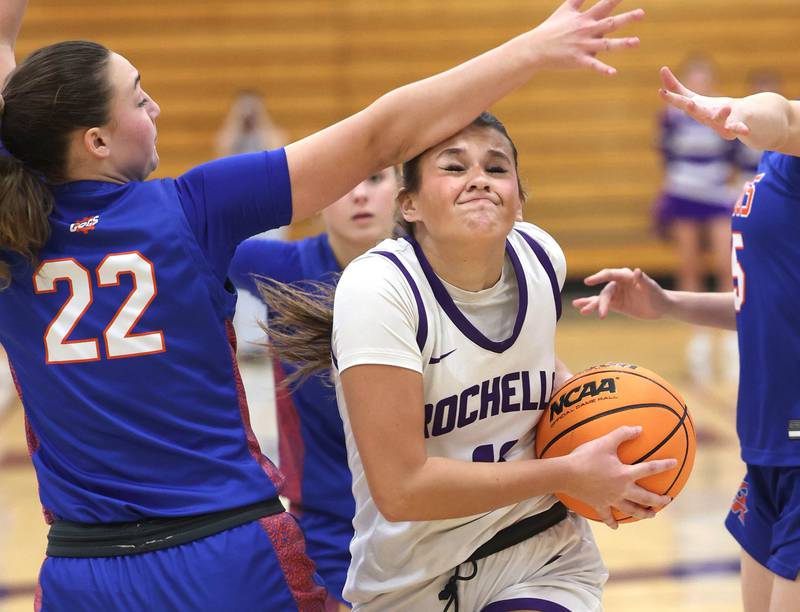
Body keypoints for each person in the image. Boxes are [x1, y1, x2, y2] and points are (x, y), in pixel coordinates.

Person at [0, 0, 648, 609]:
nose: (157, 107)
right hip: (226, 553)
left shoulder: (9, 232)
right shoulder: (189, 209)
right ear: (97, 142)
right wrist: (532, 49)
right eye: (139, 99)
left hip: (81, 569)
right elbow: (381, 134)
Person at [261, 111, 677, 611]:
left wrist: (603, 438)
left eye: (497, 168)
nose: (479, 178)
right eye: (454, 168)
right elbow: (401, 490)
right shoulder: (379, 290)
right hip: (412, 577)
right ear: (408, 203)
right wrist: (567, 472)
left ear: (519, 200)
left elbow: (534, 367)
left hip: (540, 554)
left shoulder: (542, 258)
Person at [573, 65, 800, 612]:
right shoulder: (775, 166)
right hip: (770, 442)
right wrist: (670, 304)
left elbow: (784, 113)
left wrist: (742, 110)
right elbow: (762, 305)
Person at [229, 166, 399, 610]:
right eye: (344, 183)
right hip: (329, 528)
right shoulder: (282, 268)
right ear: (320, 198)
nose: (360, 195)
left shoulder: (433, 268)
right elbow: (189, 237)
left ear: (403, 192)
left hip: (428, 514)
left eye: (376, 179)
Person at [652, 55, 739, 382]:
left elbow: (734, 150)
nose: (700, 84)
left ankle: (731, 340)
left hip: (717, 195)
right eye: (694, 78)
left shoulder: (722, 110)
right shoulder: (670, 116)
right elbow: (666, 154)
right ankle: (698, 341)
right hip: (683, 194)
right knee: (689, 265)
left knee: (724, 264)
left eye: (705, 78)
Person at [216, 91, 290, 360]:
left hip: (269, 216)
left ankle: (267, 337)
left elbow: (278, 147)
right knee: (241, 276)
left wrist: (261, 119)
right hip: (241, 214)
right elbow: (222, 149)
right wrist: (237, 118)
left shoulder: (269, 134)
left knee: (268, 276)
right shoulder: (234, 140)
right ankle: (247, 342)